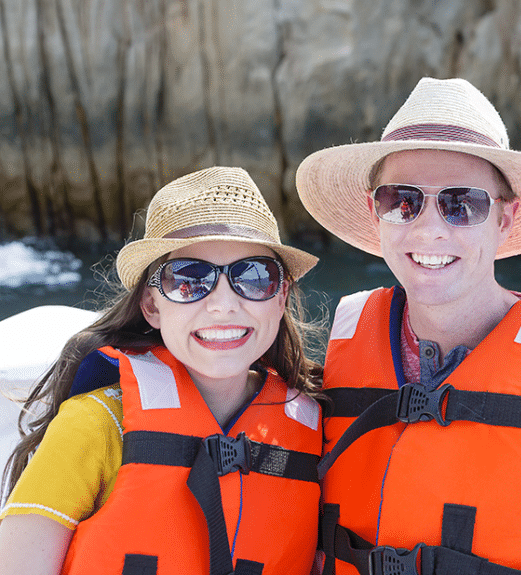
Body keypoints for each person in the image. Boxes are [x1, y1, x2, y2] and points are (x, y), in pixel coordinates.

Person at [297, 77, 521, 575]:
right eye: (402, 200)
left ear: (505, 217)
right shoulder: (332, 357)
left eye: (462, 204)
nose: (429, 229)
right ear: (373, 211)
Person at [0, 167, 324, 575]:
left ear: (280, 299)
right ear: (152, 306)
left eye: (254, 277)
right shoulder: (95, 425)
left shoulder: (318, 429)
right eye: (190, 279)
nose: (223, 305)